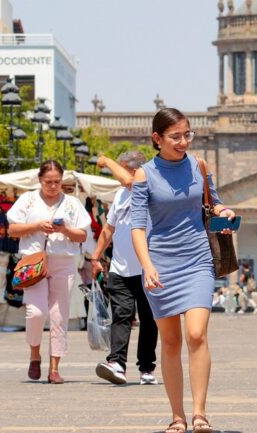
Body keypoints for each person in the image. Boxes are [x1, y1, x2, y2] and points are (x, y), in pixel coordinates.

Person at [131, 107, 235, 433]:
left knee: (196, 334)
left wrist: (224, 211)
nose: (182, 141)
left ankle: (200, 413)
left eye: (187, 134)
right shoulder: (144, 175)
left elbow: (213, 202)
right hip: (160, 264)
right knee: (171, 341)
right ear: (157, 138)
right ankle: (177, 416)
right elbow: (137, 226)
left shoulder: (199, 165)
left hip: (197, 260)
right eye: (175, 136)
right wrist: (147, 266)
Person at [7, 160, 91, 384]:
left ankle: (54, 367)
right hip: (33, 261)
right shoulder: (28, 199)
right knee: (35, 312)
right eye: (48, 182)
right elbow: (13, 229)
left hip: (63, 261)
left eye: (57, 182)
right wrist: (37, 225)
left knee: (58, 315)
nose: (53, 186)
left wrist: (64, 229)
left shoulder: (72, 203)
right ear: (40, 180)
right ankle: (35, 354)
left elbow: (82, 235)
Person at [92, 152, 159, 386]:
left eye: (120, 170)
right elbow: (108, 229)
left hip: (146, 268)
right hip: (120, 268)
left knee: (149, 320)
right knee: (121, 315)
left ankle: (147, 367)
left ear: (135, 170)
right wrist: (96, 257)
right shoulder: (120, 195)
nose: (117, 175)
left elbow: (130, 182)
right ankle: (117, 362)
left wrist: (107, 161)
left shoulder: (147, 187)